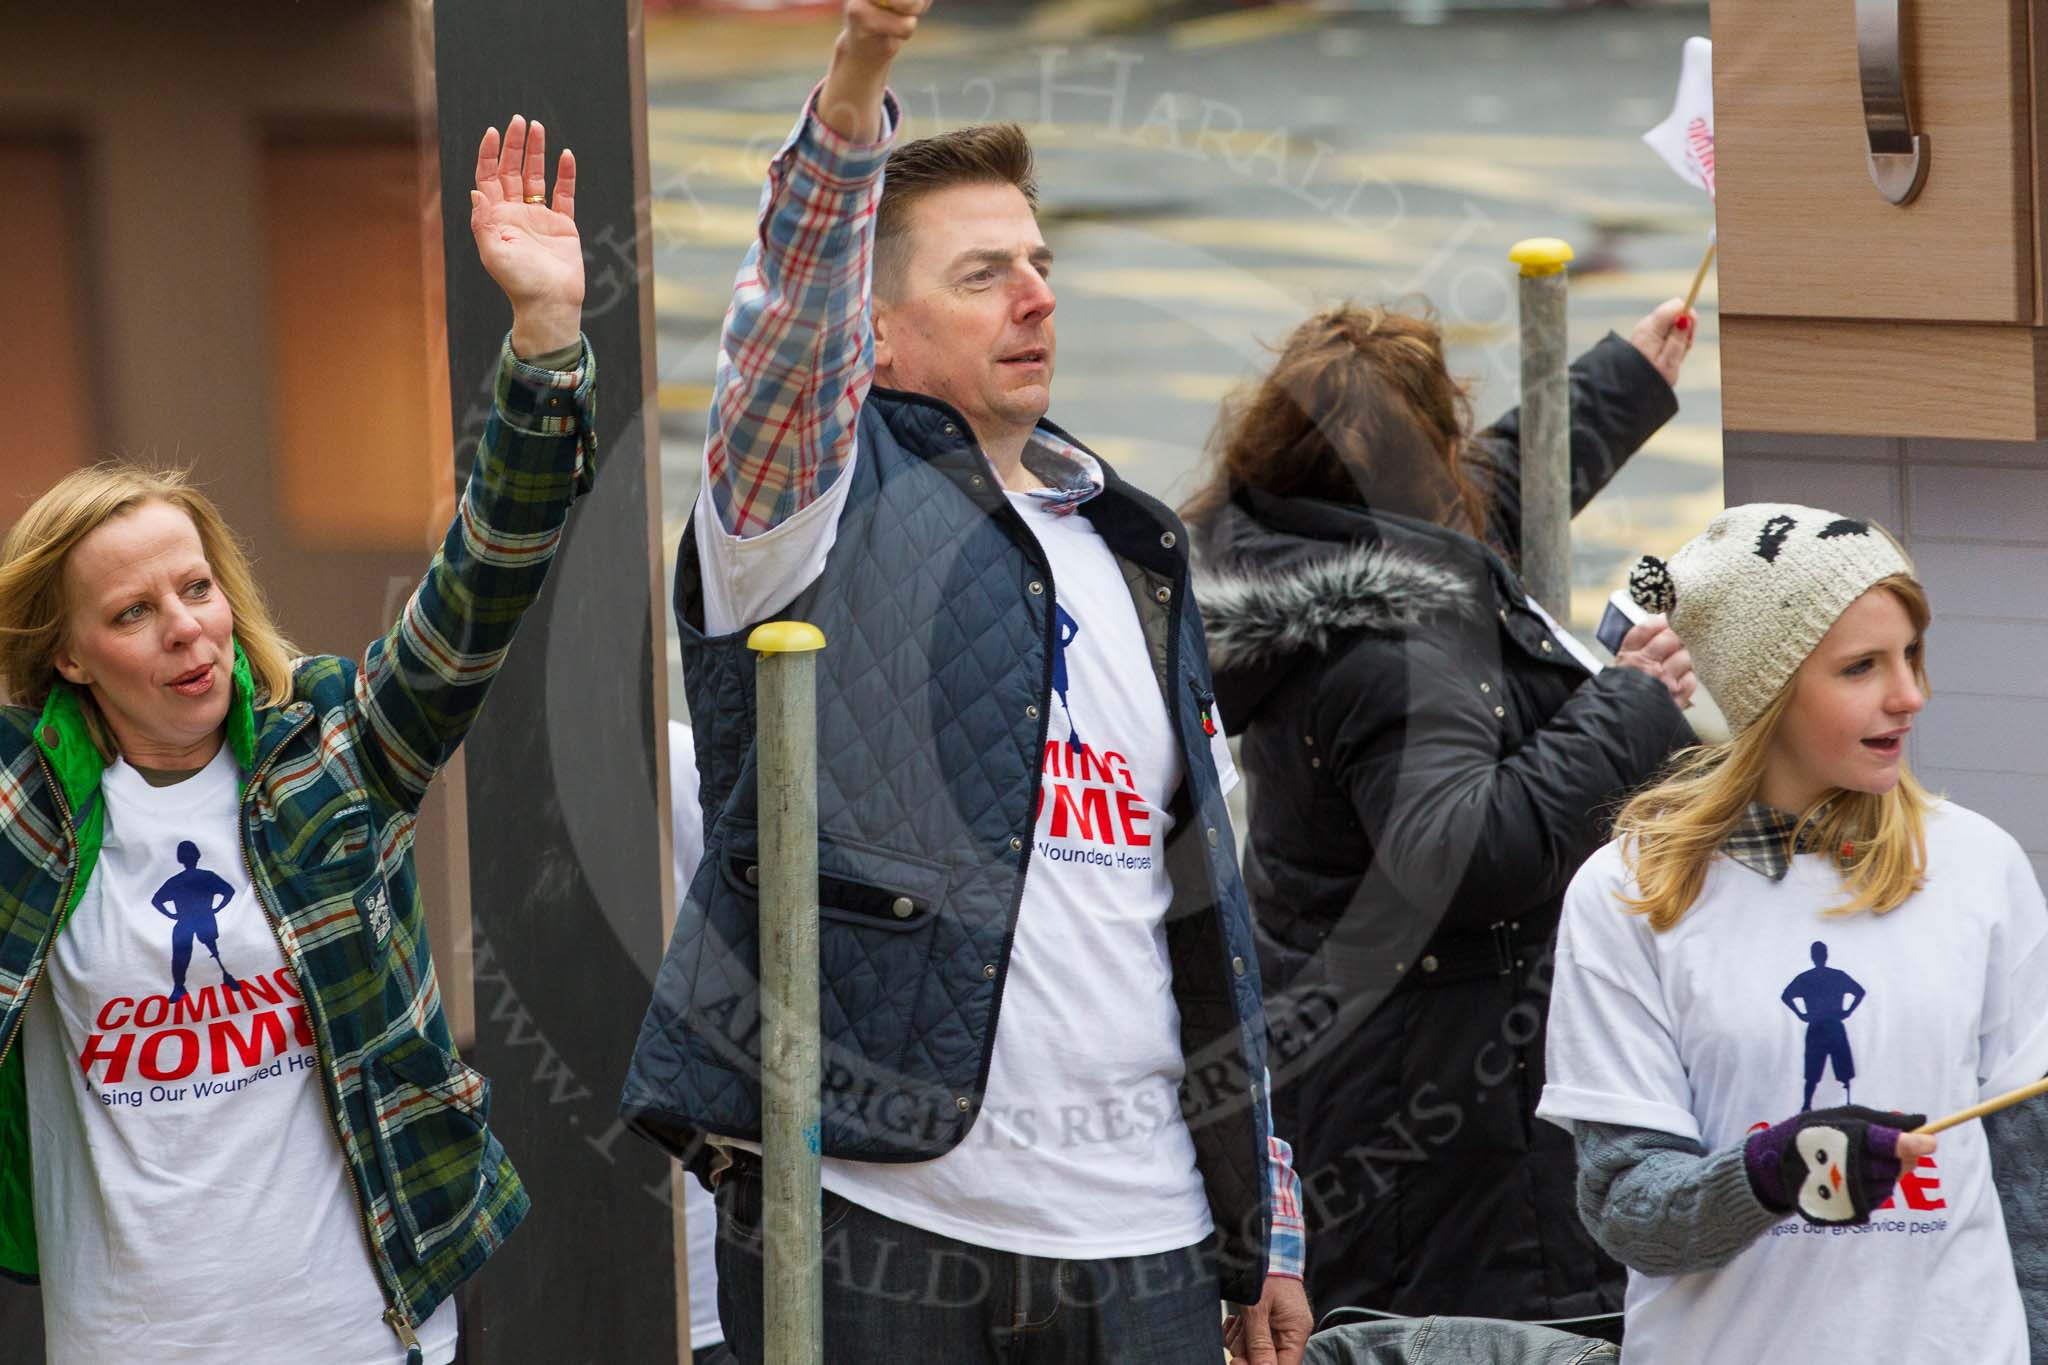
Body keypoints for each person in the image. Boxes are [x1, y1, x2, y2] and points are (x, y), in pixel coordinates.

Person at [618, 3, 1309, 1362]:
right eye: (984, 273)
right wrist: (855, 90)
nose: (1039, 295)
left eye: (1041, 264)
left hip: (1151, 1238)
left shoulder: (1132, 545)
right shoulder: (802, 511)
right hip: (880, 1211)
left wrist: (1261, 1217)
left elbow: (1201, 918)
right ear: (871, 338)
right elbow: (777, 347)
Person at [0, 114, 595, 1362]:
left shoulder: (333, 746)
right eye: (133, 611)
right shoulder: (21, 813)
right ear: (66, 653)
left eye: (197, 587)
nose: (185, 629)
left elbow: (487, 576)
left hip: (364, 1330)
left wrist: (543, 338)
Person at [1186, 302, 1697, 1330]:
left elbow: (1486, 499)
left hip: (1342, 1094)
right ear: (1430, 458)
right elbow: (1463, 855)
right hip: (1454, 1162)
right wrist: (1630, 701)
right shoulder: (1388, 654)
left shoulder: (1283, 554)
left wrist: (1625, 377)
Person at [1539, 504, 2048, 1363]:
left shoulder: (1982, 866)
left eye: (1912, 655)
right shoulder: (1627, 892)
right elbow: (1628, 1207)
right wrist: (1773, 1172)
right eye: (1862, 667)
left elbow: (2031, 1191)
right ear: (1764, 689)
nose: (1910, 694)